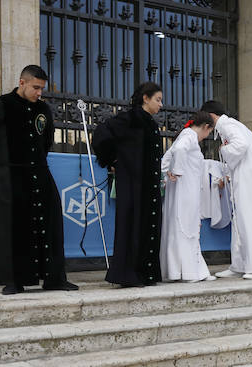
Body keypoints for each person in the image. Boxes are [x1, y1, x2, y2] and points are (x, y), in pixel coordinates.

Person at [0, 65, 78, 295]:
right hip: (10, 176)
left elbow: (46, 139)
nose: (39, 93)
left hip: (40, 173)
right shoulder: (2, 104)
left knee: (49, 225)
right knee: (14, 228)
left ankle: (54, 278)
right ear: (22, 83)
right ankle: (14, 280)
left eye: (41, 88)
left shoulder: (43, 108)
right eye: (35, 87)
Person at [92, 82, 165, 287]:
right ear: (145, 98)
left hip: (149, 185)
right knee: (132, 225)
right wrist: (113, 161)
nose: (160, 104)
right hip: (132, 183)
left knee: (148, 225)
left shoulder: (150, 123)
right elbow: (101, 135)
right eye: (157, 100)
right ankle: (128, 274)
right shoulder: (129, 118)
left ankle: (146, 273)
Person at [202, 100, 252, 280]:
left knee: (250, 219)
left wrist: (224, 150)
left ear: (211, 115)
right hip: (245, 176)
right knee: (240, 220)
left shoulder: (227, 124)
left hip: (250, 179)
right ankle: (239, 264)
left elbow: (241, 145)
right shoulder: (227, 125)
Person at [159, 112, 217, 282]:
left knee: (183, 227)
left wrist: (167, 171)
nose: (207, 136)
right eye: (209, 132)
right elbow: (178, 150)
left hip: (184, 188)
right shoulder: (189, 136)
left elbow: (167, 156)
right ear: (206, 127)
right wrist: (176, 171)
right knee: (185, 226)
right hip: (185, 190)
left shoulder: (186, 135)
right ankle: (189, 272)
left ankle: (181, 270)